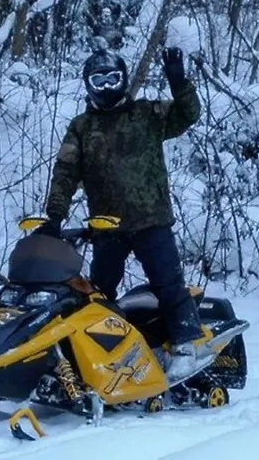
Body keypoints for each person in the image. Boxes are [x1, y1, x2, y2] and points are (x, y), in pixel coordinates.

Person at [34, 45, 204, 382]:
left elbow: (188, 114)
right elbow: (65, 172)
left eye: (114, 78)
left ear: (124, 80)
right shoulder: (82, 127)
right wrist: (54, 217)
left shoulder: (147, 114)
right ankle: (104, 356)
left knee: (169, 284)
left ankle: (186, 346)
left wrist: (178, 81)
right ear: (88, 85)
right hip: (106, 227)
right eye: (100, 80)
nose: (108, 86)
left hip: (150, 219)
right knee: (96, 295)